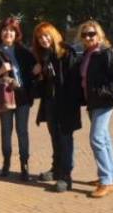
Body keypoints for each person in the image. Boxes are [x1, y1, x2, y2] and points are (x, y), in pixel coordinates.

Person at [78, 20, 113, 198]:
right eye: (85, 35)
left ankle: (106, 181)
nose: (88, 37)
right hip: (92, 102)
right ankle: (110, 176)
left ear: (100, 34)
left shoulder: (107, 53)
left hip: (104, 102)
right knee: (104, 139)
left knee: (96, 138)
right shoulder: (88, 54)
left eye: (92, 33)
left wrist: (101, 92)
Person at [0, 17, 36, 181]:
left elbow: (34, 70)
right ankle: (6, 162)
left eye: (12, 30)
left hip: (22, 96)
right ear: (1, 32)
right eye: (5, 30)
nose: (8, 33)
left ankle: (24, 165)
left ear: (16, 33)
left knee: (22, 131)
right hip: (4, 96)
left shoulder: (24, 51)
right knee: (6, 131)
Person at [32, 22, 81, 192]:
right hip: (50, 103)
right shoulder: (45, 56)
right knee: (55, 138)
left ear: (53, 35)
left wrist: (68, 104)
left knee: (65, 140)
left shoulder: (66, 53)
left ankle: (66, 177)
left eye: (46, 36)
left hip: (66, 105)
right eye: (40, 38)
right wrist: (37, 75)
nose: (43, 40)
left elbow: (73, 83)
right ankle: (56, 169)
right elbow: (42, 86)